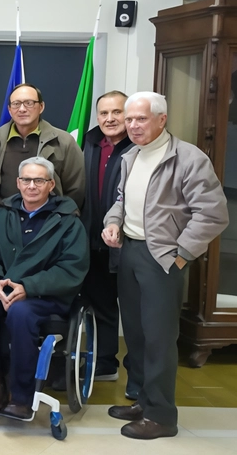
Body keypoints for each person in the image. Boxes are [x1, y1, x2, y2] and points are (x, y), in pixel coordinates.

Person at [103, 92, 228, 440]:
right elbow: (121, 201)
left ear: (162, 119)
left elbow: (214, 214)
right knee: (138, 336)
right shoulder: (131, 156)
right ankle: (143, 401)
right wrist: (113, 222)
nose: (132, 126)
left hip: (163, 259)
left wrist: (182, 253)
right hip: (129, 253)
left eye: (140, 119)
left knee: (159, 339)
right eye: (129, 120)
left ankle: (161, 417)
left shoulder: (188, 158)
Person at [0, 157, 89, 420]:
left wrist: (28, 287)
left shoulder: (68, 221)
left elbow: (71, 269)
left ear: (51, 185)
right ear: (18, 183)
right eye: (27, 180)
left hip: (45, 295)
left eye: (39, 180)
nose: (32, 186)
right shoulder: (3, 215)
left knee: (21, 313)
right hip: (5, 289)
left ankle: (22, 396)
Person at [80, 91, 134, 385]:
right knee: (100, 303)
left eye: (117, 112)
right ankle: (105, 362)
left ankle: (137, 375)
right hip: (92, 240)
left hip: (128, 242)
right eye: (104, 113)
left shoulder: (138, 146)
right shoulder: (88, 143)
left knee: (133, 309)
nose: (110, 119)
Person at [0, 83, 85, 210]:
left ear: (41, 107)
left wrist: (60, 218)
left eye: (29, 103)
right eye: (16, 104)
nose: (22, 109)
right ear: (9, 110)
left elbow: (76, 190)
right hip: (5, 221)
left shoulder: (63, 141)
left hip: (49, 222)